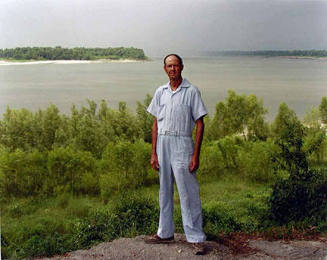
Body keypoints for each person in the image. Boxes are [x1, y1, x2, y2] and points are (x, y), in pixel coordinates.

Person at [145, 54, 207, 255]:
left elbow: (199, 124)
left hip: (182, 143)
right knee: (164, 190)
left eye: (175, 65)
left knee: (188, 192)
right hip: (163, 142)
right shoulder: (160, 92)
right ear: (165, 69)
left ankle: (196, 237)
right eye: (169, 66)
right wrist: (153, 152)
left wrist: (195, 155)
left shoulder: (191, 91)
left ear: (182, 67)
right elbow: (155, 123)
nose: (172, 69)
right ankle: (165, 233)